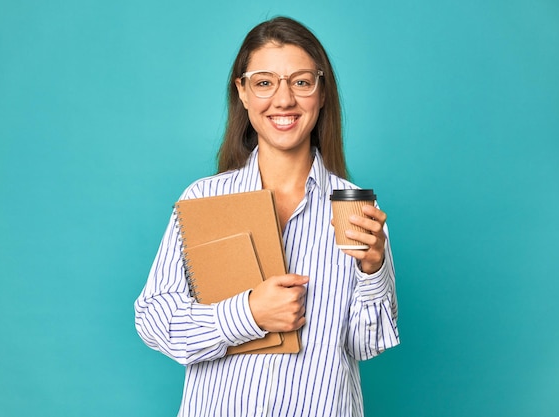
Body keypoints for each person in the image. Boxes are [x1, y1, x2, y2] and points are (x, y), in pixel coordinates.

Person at [134, 16, 399, 417]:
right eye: (264, 82)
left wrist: (372, 270)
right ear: (242, 92)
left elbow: (367, 345)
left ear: (322, 93)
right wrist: (248, 314)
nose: (284, 99)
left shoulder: (357, 210)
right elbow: (155, 320)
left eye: (301, 82)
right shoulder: (204, 198)